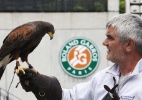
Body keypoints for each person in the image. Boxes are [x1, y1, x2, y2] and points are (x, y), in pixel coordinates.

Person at [16, 13, 142, 100]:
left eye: (110, 38)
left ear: (129, 45)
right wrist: (41, 85)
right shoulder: (103, 77)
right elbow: (70, 97)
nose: (104, 43)